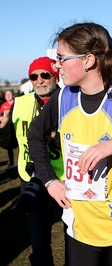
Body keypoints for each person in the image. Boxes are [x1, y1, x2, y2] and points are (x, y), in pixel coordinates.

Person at [27, 22, 112, 266]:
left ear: (89, 60)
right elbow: (35, 136)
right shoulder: (63, 97)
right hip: (79, 229)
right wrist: (50, 181)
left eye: (62, 58)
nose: (56, 66)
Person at [0, 56, 63, 266]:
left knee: (75, 235)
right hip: (32, 178)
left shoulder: (70, 100)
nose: (40, 80)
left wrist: (57, 140)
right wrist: (3, 130)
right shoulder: (20, 103)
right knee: (38, 240)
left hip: (66, 179)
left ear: (55, 76)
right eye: (34, 76)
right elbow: (10, 144)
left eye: (45, 74)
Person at [0, 89, 17, 169]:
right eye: (6, 94)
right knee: (9, 146)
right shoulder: (3, 105)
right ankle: (12, 163)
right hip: (8, 128)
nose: (8, 95)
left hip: (17, 126)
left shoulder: (17, 103)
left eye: (9, 93)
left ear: (13, 95)